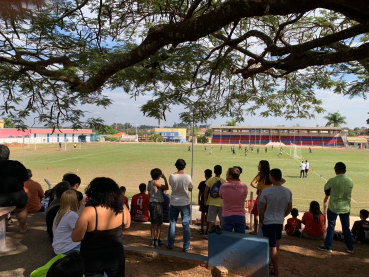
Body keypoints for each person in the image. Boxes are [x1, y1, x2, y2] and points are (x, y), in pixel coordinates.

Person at [72, 177, 131, 277]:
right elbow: (126, 225)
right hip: (115, 257)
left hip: (92, 260)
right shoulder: (122, 207)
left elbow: (76, 238)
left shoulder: (89, 211)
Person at [259, 168, 292, 277]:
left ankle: (276, 271)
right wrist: (282, 216)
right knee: (276, 243)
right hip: (279, 222)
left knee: (272, 247)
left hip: (268, 222)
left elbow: (262, 209)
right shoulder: (288, 191)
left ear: (272, 177)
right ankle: (272, 265)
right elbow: (289, 208)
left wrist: (261, 221)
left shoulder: (267, 191)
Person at [318, 162, 354, 254]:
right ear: (345, 171)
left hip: (333, 207)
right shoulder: (350, 181)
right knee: (346, 228)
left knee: (331, 227)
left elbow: (326, 189)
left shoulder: (332, 180)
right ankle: (350, 247)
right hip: (345, 208)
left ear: (335, 171)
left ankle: (328, 246)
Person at [0, 144, 29, 234]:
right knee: (21, 209)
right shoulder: (16, 164)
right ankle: (23, 228)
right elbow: (26, 177)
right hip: (18, 196)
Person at [167, 159, 193, 251]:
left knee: (172, 223)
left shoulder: (172, 176)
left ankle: (170, 245)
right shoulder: (188, 177)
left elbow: (172, 186)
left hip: (174, 202)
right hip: (184, 203)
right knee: (185, 224)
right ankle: (186, 246)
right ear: (184, 166)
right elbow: (190, 189)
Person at [219, 167, 248, 233]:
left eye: (227, 174)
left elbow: (221, 196)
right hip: (240, 216)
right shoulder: (244, 186)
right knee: (240, 238)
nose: (226, 175)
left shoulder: (223, 186)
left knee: (226, 237)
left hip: (227, 216)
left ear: (231, 176)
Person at [52, 190, 81, 255]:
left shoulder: (60, 212)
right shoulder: (72, 214)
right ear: (74, 201)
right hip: (67, 249)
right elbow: (79, 233)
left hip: (58, 248)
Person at [249, 161, 274, 235]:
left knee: (261, 214)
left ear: (262, 167)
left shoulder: (261, 174)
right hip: (270, 195)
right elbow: (281, 180)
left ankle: (260, 233)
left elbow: (252, 183)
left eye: (259, 165)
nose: (258, 166)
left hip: (262, 195)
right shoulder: (271, 174)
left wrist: (259, 189)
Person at [204, 165, 226, 240]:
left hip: (212, 203)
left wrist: (205, 200)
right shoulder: (224, 181)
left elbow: (206, 190)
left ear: (214, 171)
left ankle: (210, 236)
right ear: (221, 172)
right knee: (222, 220)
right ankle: (223, 235)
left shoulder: (210, 180)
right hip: (221, 203)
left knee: (211, 220)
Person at [147, 168, 169, 247]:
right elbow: (166, 187)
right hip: (157, 204)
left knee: (152, 223)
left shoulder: (149, 182)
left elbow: (149, 192)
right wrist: (165, 178)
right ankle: (157, 239)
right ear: (159, 176)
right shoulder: (156, 183)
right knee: (159, 223)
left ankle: (152, 240)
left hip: (151, 203)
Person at [198, 169, 212, 235]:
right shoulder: (212, 184)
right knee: (208, 215)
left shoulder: (202, 183)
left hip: (203, 200)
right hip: (210, 201)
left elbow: (200, 193)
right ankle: (207, 229)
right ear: (211, 175)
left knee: (203, 214)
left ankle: (201, 228)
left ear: (205, 175)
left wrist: (199, 200)